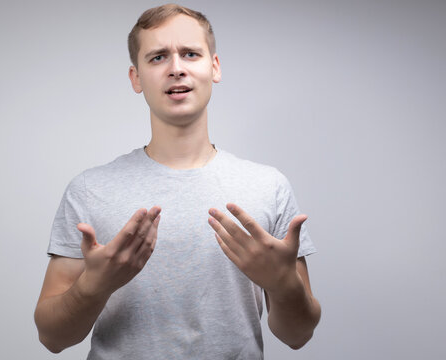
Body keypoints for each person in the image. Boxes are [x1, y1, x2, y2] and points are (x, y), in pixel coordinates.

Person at [34, 4, 321, 359]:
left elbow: (298, 335)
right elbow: (52, 337)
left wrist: (283, 286)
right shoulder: (90, 190)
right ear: (136, 77)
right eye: (157, 57)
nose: (176, 68)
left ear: (213, 66)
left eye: (190, 54)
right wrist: (94, 287)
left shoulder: (268, 186)